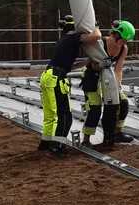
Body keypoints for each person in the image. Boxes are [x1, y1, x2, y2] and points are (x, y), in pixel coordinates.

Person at [39, 15, 101, 153]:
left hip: (48, 75)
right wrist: (94, 25)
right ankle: (57, 146)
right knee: (65, 116)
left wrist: (87, 61)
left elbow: (68, 66)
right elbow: (96, 36)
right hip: (56, 78)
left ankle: (46, 144)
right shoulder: (73, 37)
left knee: (50, 116)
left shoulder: (65, 39)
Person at [103, 20, 136, 145]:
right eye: (123, 39)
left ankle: (118, 133)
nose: (124, 43)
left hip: (109, 75)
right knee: (109, 107)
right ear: (116, 34)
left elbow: (118, 68)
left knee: (123, 103)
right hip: (95, 75)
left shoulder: (123, 48)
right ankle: (107, 137)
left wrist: (118, 85)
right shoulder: (101, 43)